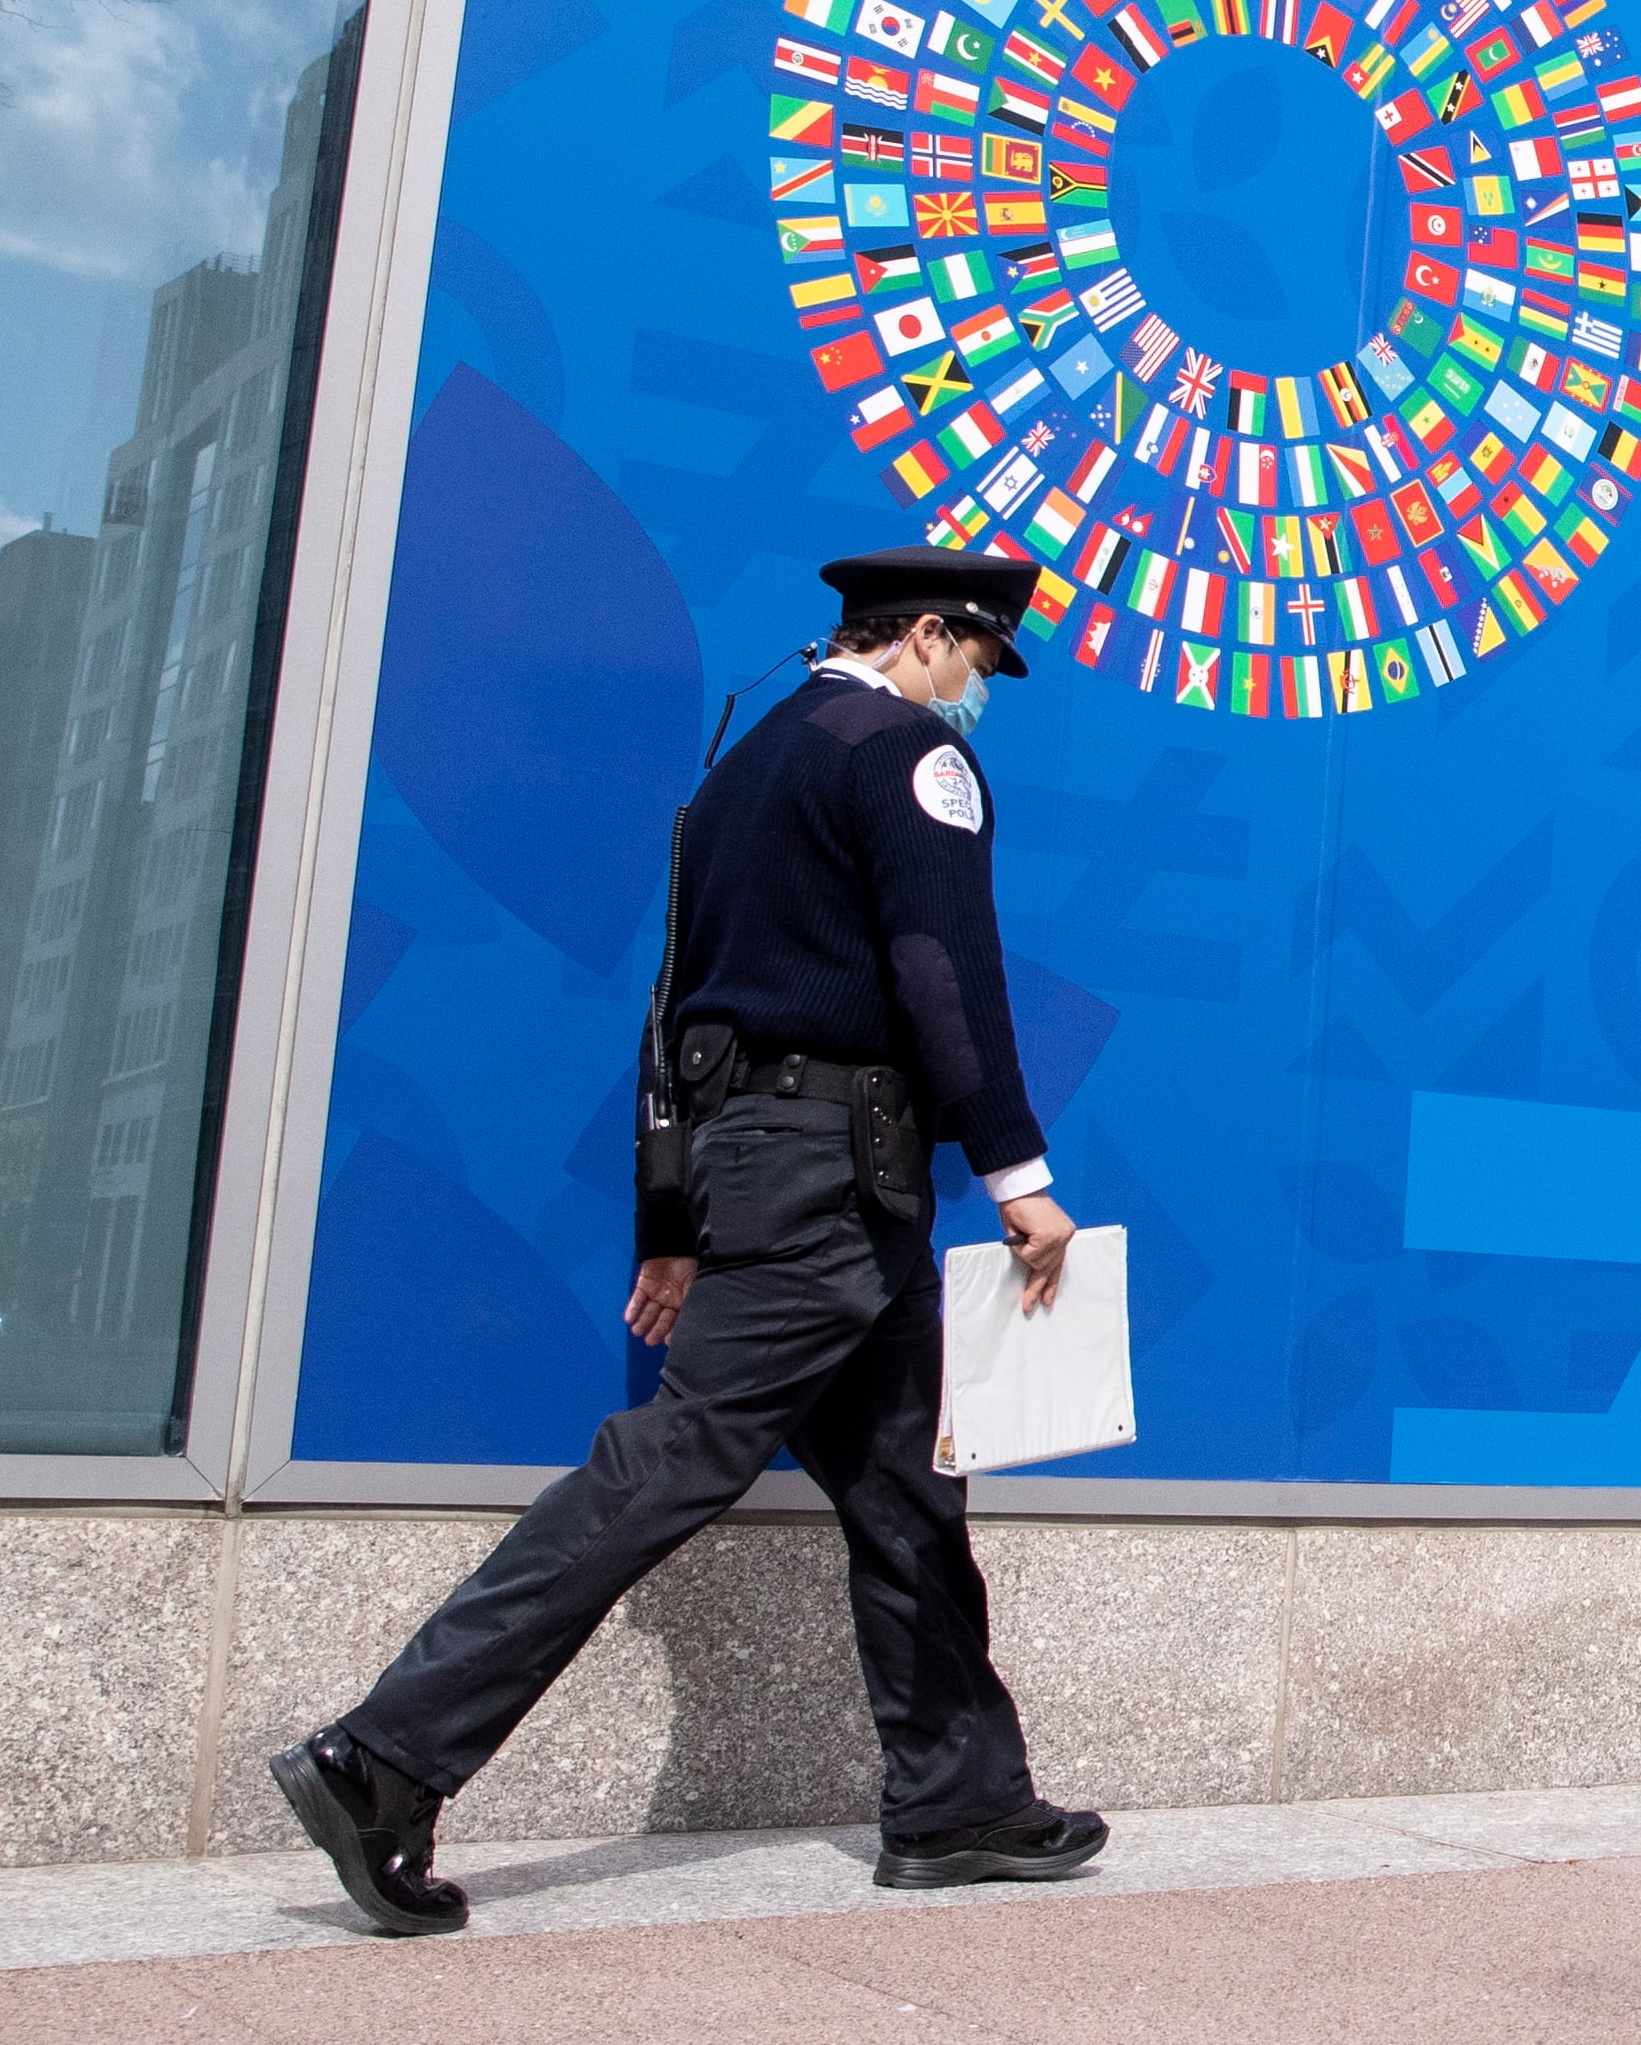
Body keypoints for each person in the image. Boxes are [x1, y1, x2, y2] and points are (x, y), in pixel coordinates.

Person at [269, 548, 1108, 1935]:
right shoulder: (907, 754)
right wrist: (1017, 1168)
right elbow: (942, 966)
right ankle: (384, 1755)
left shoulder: (742, 763)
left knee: (907, 1492)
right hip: (837, 1178)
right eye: (974, 662)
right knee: (667, 1464)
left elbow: (674, 1015)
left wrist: (672, 1221)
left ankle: (958, 1798)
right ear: (921, 635)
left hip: (772, 1170)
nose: (975, 693)